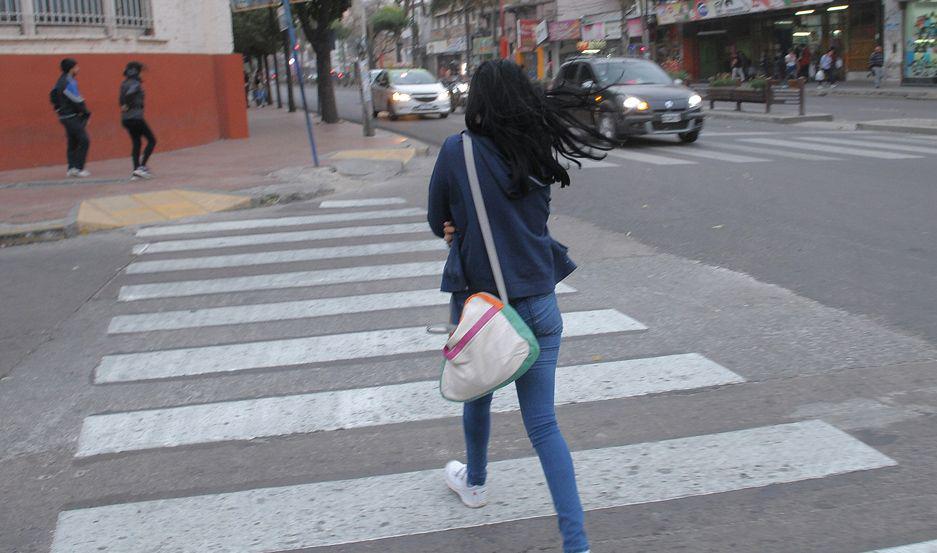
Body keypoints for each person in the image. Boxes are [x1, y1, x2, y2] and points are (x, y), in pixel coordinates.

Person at [427, 60, 607, 553]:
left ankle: (476, 482)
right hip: (541, 303)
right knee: (543, 424)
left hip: (482, 308)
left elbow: (435, 218)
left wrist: (454, 228)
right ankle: (577, 544)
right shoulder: (536, 150)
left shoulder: (456, 150)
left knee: (477, 396)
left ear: (478, 101)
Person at [52, 58, 91, 178]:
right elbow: (77, 100)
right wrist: (86, 113)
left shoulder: (60, 80)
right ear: (71, 69)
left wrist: (58, 109)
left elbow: (52, 95)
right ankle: (79, 168)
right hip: (71, 116)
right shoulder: (68, 81)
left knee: (73, 141)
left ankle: (71, 168)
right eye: (76, 67)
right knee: (84, 140)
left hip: (64, 116)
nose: (78, 69)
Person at [119, 61, 156, 180]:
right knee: (152, 140)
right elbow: (130, 94)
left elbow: (121, 99)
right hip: (136, 117)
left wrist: (124, 104)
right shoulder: (135, 83)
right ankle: (142, 167)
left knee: (137, 142)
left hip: (126, 118)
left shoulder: (124, 83)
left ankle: (136, 169)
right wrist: (128, 104)